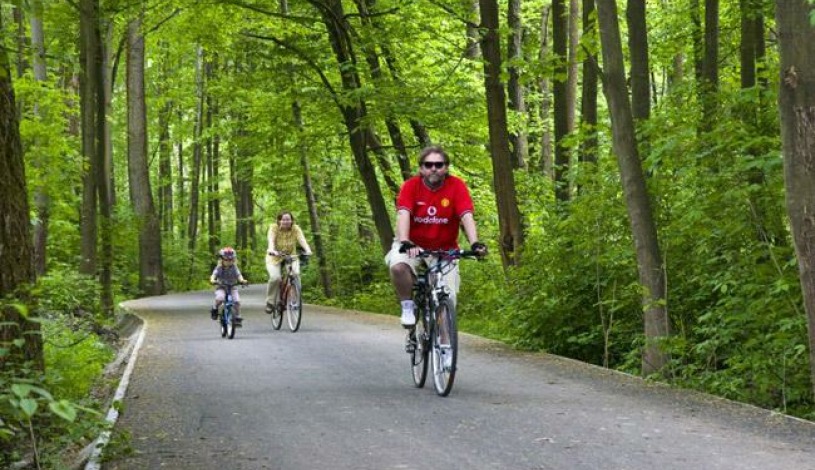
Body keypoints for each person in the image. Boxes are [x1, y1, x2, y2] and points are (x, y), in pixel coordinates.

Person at [385, 145, 487, 330]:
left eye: (439, 165)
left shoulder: (456, 186)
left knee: (447, 298)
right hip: (413, 245)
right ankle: (408, 307)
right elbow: (403, 214)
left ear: (446, 167)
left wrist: (475, 243)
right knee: (399, 267)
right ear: (421, 168)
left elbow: (466, 216)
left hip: (444, 249)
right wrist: (406, 241)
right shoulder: (411, 186)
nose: (434, 168)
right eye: (428, 164)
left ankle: (444, 346)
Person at [265, 211, 313, 314]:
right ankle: (270, 302)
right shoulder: (274, 228)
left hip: (291, 256)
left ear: (291, 220)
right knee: (275, 278)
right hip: (275, 257)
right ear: (279, 220)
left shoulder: (296, 228)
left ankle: (294, 300)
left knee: (295, 274)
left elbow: (302, 240)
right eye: (283, 219)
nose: (286, 221)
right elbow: (271, 240)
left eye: (288, 219)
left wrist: (308, 250)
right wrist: (271, 250)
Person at [210, 246, 249, 324]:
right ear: (222, 259)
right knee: (220, 298)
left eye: (231, 260)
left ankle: (237, 316)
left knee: (237, 301)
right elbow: (214, 275)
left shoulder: (234, 267)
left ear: (234, 260)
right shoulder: (219, 268)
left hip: (232, 287)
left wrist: (242, 280)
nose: (229, 261)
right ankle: (215, 308)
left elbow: (238, 275)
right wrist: (213, 280)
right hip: (221, 287)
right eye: (226, 260)